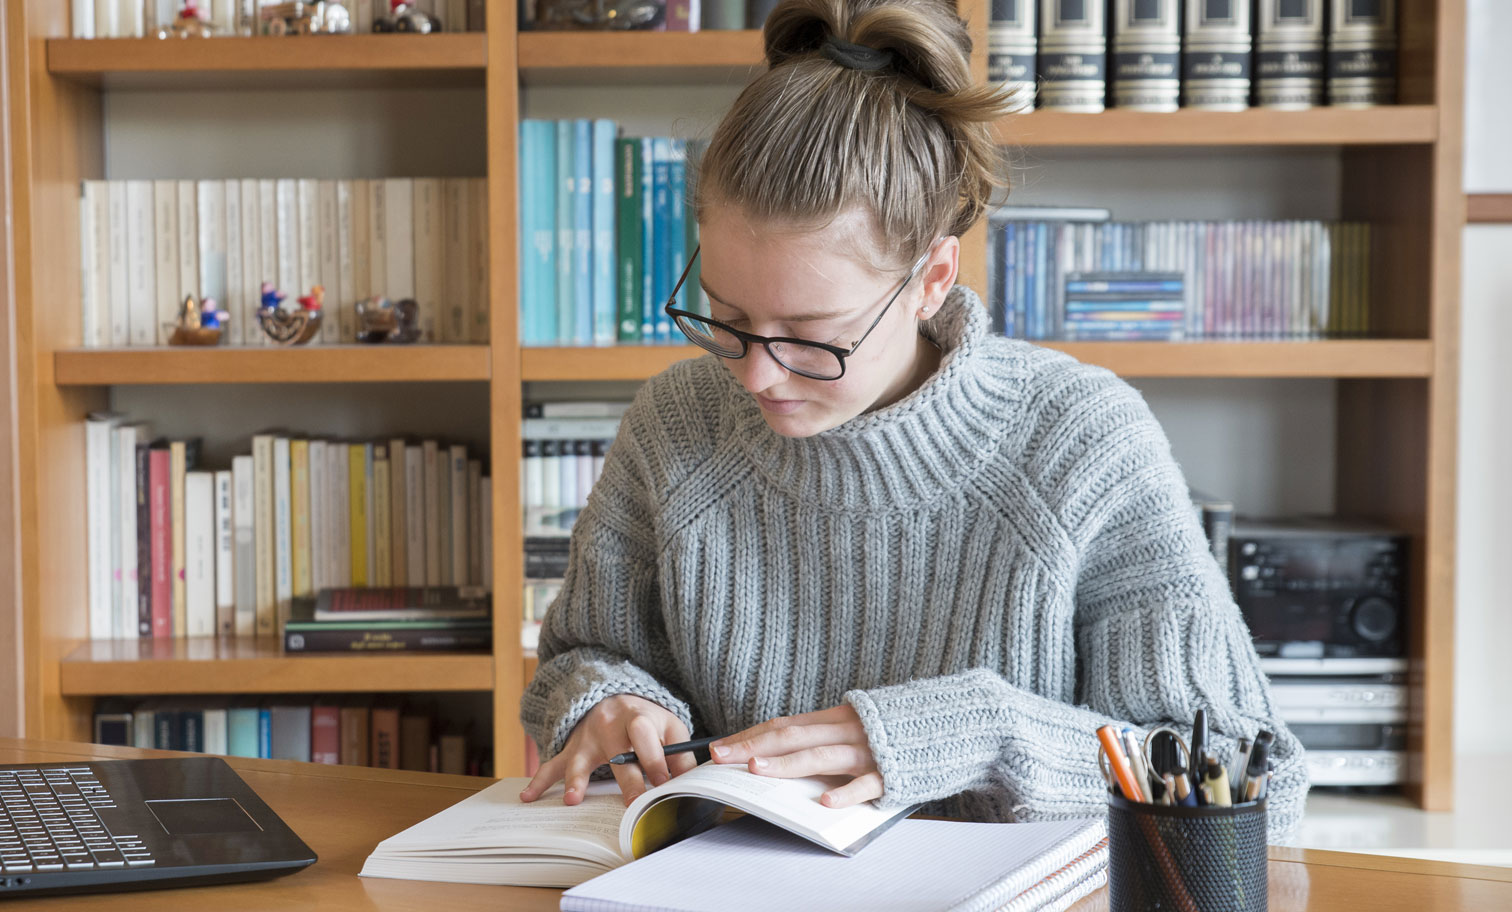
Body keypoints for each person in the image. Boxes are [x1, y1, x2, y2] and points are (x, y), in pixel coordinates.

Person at [517, 0, 1307, 838]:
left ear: (931, 279)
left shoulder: (1081, 442)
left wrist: (987, 735)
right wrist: (607, 702)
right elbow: (581, 656)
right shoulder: (677, 423)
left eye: (809, 335)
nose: (755, 374)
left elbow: (1248, 780)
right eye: (727, 315)